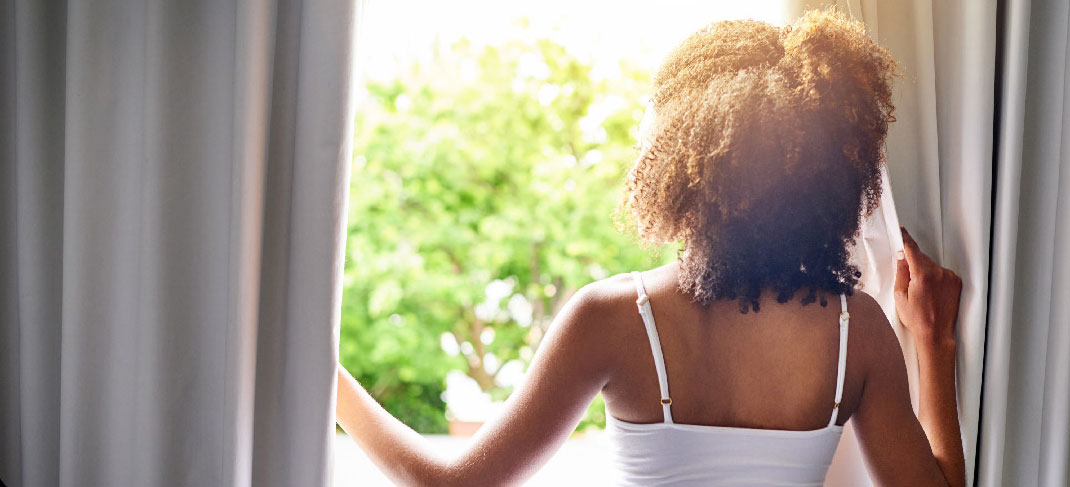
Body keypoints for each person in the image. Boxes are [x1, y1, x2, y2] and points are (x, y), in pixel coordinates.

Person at [335, 9, 964, 487]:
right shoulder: (859, 332)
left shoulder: (611, 319)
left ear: (690, 169)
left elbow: (450, 484)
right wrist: (933, 347)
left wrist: (327, 376)